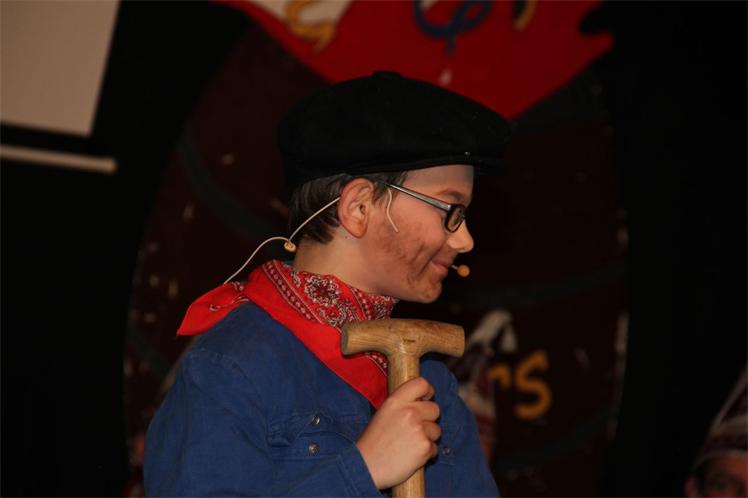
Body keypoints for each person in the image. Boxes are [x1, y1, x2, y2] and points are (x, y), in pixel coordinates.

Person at [144, 71, 510, 496]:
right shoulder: (232, 368)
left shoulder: (434, 388)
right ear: (359, 207)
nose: (465, 240)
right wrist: (363, 470)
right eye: (450, 210)